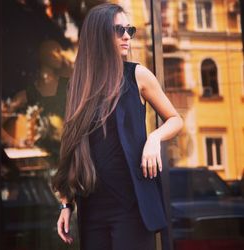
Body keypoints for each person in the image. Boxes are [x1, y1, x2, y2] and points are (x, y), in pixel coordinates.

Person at [52, 3, 183, 250]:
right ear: (98, 35)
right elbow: (70, 149)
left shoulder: (137, 75)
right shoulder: (78, 85)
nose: (126, 36)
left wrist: (154, 138)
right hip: (92, 206)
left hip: (132, 205)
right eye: (118, 29)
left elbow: (176, 119)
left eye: (129, 29)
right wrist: (66, 204)